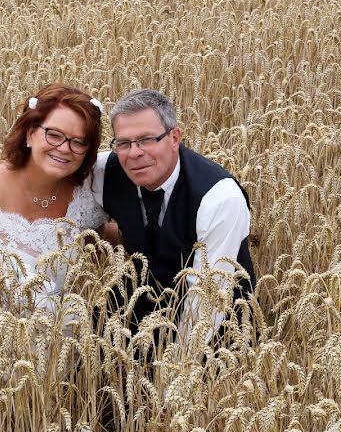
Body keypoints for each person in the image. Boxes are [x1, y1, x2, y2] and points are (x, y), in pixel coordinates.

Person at [91, 88, 256, 350]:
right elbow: (54, 186)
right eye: (124, 143)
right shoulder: (105, 172)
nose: (134, 153)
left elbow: (207, 303)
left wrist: (174, 378)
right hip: (137, 319)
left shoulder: (218, 197)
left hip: (218, 333)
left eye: (146, 140)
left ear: (175, 137)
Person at [0, 83, 108, 318]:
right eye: (54, 134)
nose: (64, 148)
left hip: (63, 337)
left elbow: (101, 243)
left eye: (78, 141)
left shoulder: (86, 194)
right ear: (29, 133)